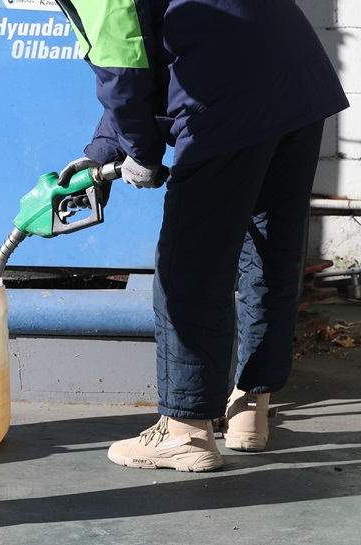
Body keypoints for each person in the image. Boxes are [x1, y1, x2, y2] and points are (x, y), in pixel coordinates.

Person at [55, 0, 349, 471]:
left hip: (226, 99)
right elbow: (144, 44)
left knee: (189, 266)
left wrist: (143, 155)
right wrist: (104, 150)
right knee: (270, 249)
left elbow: (125, 67)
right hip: (295, 79)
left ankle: (185, 434)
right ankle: (250, 407)